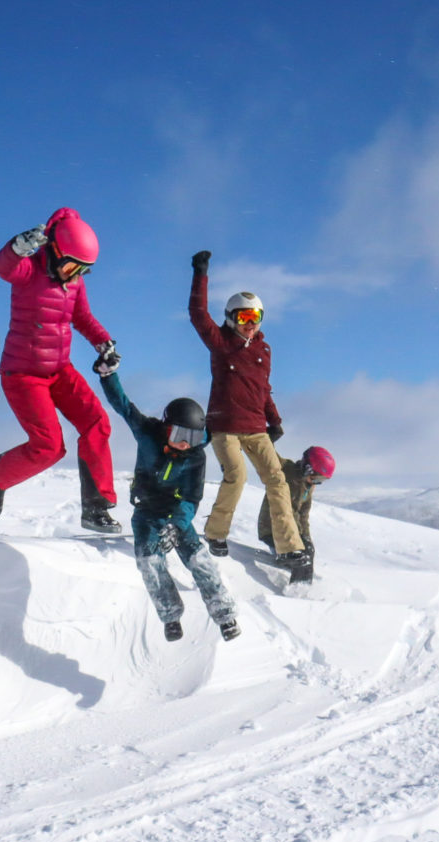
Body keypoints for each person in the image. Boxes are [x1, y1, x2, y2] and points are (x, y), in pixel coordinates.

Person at [0, 207, 121, 533]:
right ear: (55, 250)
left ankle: (96, 509)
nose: (74, 275)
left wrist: (104, 344)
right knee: (49, 447)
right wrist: (17, 246)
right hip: (23, 373)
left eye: (83, 270)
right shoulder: (29, 269)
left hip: (59, 370)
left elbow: (82, 318)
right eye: (72, 266)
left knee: (97, 422)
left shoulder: (73, 283)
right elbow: (3, 267)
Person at [93, 351, 240, 643]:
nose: (185, 444)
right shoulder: (147, 433)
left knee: (199, 560)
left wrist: (176, 525)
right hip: (147, 514)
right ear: (166, 427)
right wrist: (108, 376)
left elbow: (191, 499)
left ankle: (225, 616)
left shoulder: (195, 458)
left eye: (193, 438)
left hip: (176, 515)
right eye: (179, 436)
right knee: (149, 561)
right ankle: (171, 616)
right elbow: (123, 406)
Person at [188, 250, 310, 582]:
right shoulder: (220, 343)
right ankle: (216, 533)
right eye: (243, 318)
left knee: (278, 480)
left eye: (256, 317)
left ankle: (289, 547)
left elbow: (263, 387)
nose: (250, 324)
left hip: (256, 427)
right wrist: (201, 274)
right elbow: (198, 314)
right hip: (225, 427)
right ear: (230, 318)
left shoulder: (263, 350)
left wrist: (275, 420)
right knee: (236, 477)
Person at [258, 446, 336, 577]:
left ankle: (303, 587)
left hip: (291, 531)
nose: (316, 483)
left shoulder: (308, 486)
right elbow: (269, 455)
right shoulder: (286, 470)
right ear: (307, 468)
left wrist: (306, 537)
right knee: (300, 555)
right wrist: (268, 439)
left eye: (321, 480)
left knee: (308, 551)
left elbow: (303, 515)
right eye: (316, 477)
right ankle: (296, 589)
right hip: (272, 528)